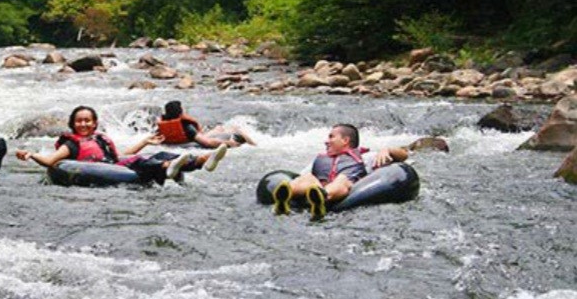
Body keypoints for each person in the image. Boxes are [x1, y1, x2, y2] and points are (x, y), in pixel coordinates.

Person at [15, 105, 228, 184]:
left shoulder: (99, 139)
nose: (83, 124)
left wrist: (144, 141)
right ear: (72, 124)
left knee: (161, 153)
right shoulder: (71, 144)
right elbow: (51, 161)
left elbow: (120, 154)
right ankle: (169, 168)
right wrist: (31, 155)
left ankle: (202, 161)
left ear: (95, 123)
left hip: (115, 165)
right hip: (101, 171)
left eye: (87, 120)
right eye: (79, 121)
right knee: (146, 165)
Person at [272, 123, 409, 221]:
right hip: (317, 186)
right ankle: (286, 193)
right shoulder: (320, 159)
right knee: (307, 177)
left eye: (331, 137)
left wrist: (387, 150)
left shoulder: (366, 158)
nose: (326, 141)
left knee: (342, 180)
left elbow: (403, 155)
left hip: (342, 188)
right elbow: (300, 176)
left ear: (345, 140)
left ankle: (323, 197)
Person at [156, 100, 256, 148]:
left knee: (219, 128)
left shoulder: (161, 125)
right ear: (180, 113)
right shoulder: (187, 126)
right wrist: (230, 144)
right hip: (194, 143)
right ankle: (255, 146)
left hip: (184, 142)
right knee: (235, 129)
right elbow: (208, 143)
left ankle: (219, 129)